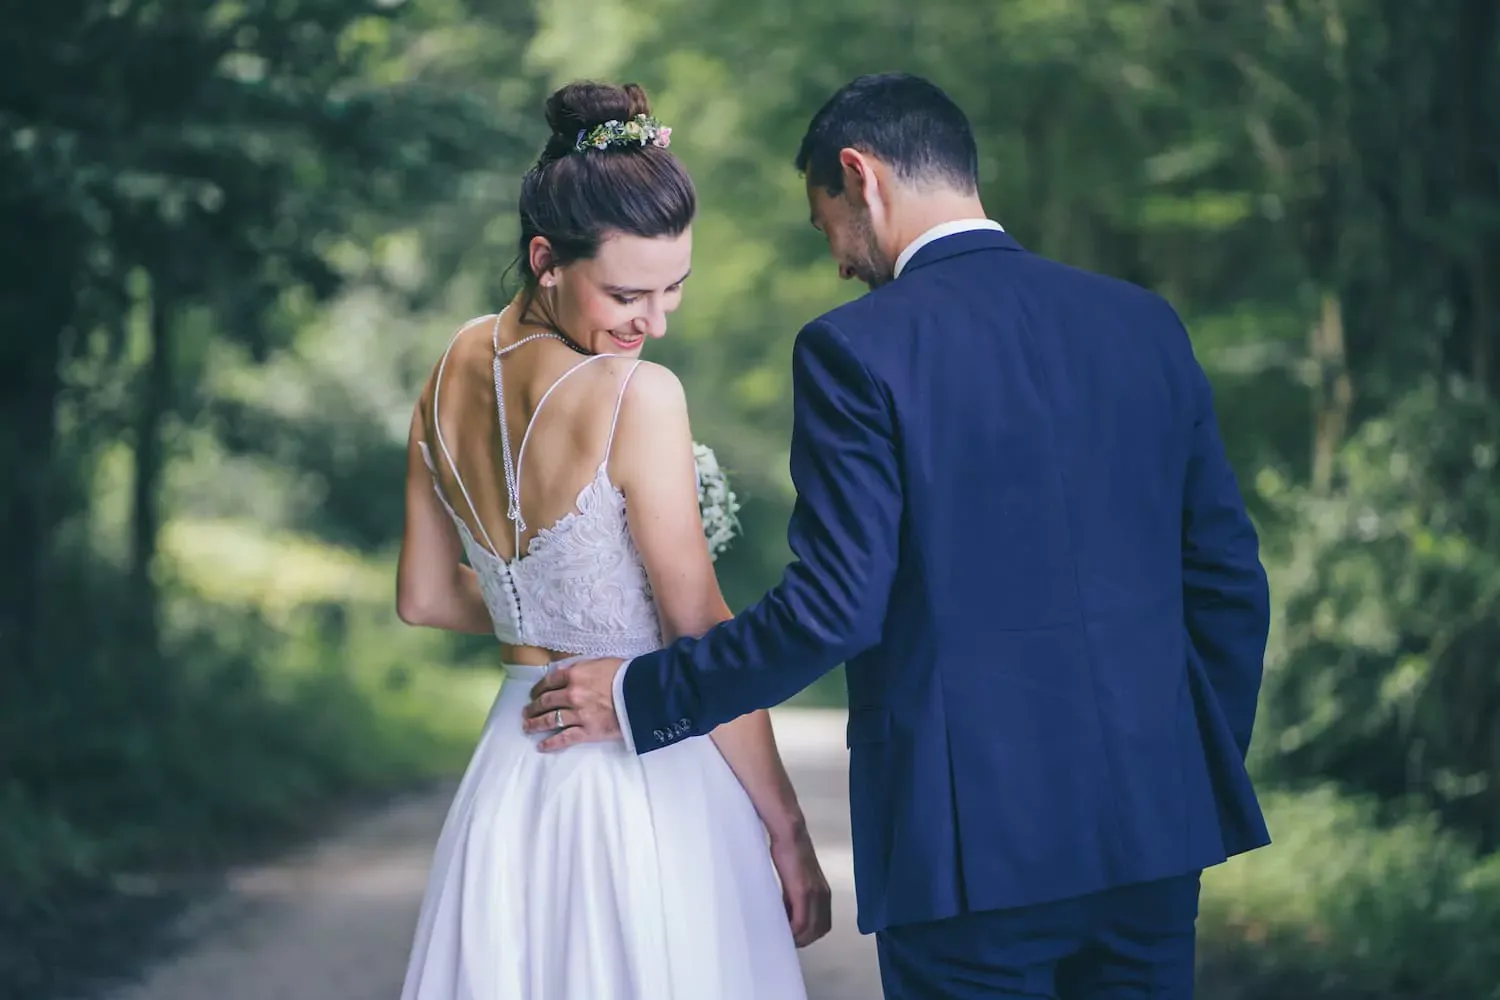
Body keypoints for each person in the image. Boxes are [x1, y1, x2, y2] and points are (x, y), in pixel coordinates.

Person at [525, 72, 1272, 999]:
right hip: (1155, 834)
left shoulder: (856, 350)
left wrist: (641, 695)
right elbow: (1229, 584)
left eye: (825, 226)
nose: (840, 263)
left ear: (860, 177)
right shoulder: (1143, 324)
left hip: (964, 853)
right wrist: (1182, 768)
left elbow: (835, 610)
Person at [394, 79, 828, 1000]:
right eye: (628, 294)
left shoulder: (445, 372)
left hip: (511, 778)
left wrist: (544, 619)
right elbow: (697, 628)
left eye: (674, 290)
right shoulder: (639, 396)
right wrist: (788, 829)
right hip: (641, 778)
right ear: (545, 259)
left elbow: (424, 599)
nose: (654, 323)